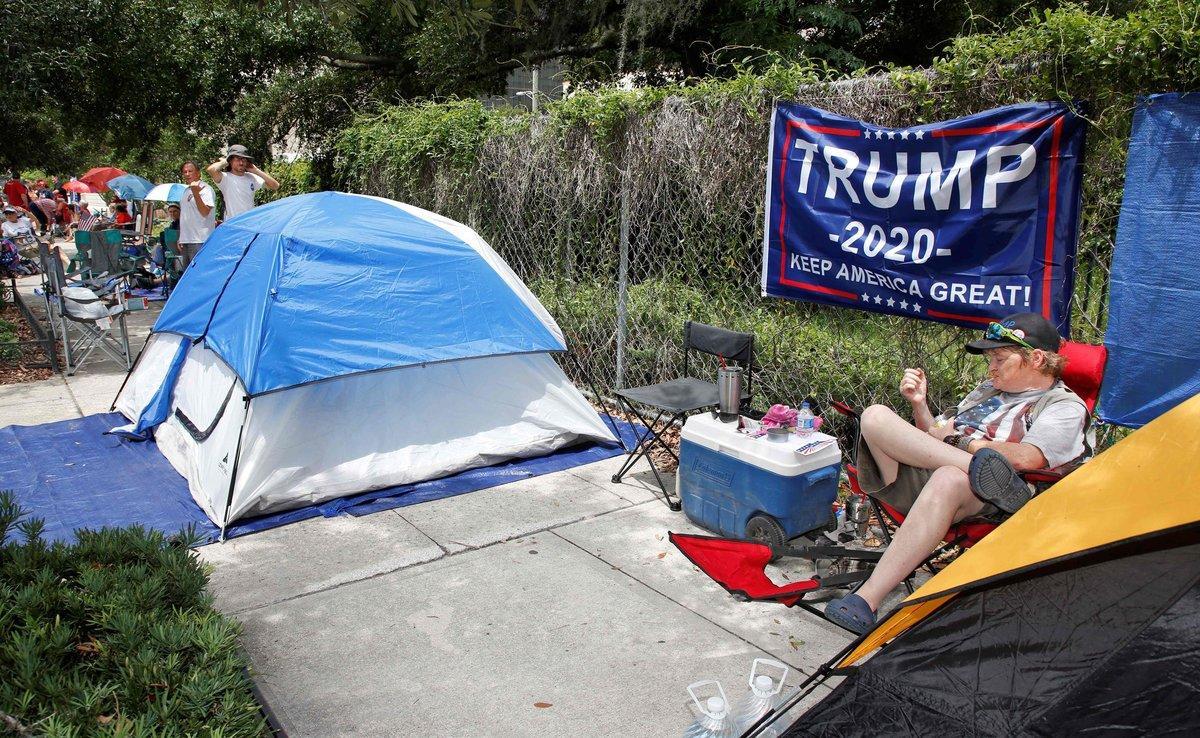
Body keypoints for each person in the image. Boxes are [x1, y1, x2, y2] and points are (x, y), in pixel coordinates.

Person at [823, 313, 1092, 634]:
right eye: (989, 358)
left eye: (1000, 358)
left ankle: (866, 599)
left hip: (988, 499)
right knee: (874, 416)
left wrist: (961, 442)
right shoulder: (987, 390)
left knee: (950, 475)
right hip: (942, 474)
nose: (990, 367)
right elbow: (936, 435)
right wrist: (920, 406)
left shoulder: (1062, 407)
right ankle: (977, 469)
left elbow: (1027, 458)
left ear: (1035, 359)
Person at [207, 144, 279, 220]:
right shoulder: (225, 178)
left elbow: (275, 186)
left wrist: (256, 171)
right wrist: (225, 161)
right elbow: (211, 170)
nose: (241, 163)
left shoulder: (251, 177)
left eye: (244, 159)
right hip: (233, 224)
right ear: (230, 161)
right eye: (237, 159)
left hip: (250, 222)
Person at [177, 160, 215, 269]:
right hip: (187, 240)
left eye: (190, 171)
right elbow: (185, 216)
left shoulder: (206, 189)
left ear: (198, 173)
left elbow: (205, 212)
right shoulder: (186, 191)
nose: (187, 174)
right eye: (185, 172)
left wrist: (195, 193)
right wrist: (181, 237)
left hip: (200, 240)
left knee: (200, 273)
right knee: (186, 275)